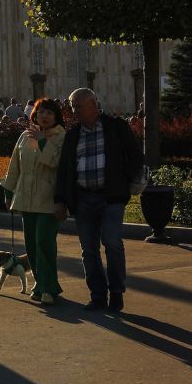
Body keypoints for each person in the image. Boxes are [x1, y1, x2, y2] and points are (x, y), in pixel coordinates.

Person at [55, 88, 143, 313]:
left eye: (78, 106)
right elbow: (64, 169)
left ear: (93, 104)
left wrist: (128, 180)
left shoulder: (115, 126)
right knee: (88, 250)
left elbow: (135, 156)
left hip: (110, 196)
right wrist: (60, 200)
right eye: (72, 107)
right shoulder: (73, 134)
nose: (74, 111)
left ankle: (116, 293)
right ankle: (97, 296)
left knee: (112, 242)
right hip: (83, 198)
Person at [1, 98, 67, 305]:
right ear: (34, 115)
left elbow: (56, 163)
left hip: (48, 199)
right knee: (30, 245)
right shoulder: (24, 135)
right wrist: (8, 191)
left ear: (56, 117)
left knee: (43, 242)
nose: (44, 116)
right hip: (26, 197)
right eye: (41, 112)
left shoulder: (61, 137)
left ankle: (48, 287)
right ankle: (41, 285)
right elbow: (15, 165)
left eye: (49, 113)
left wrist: (42, 140)